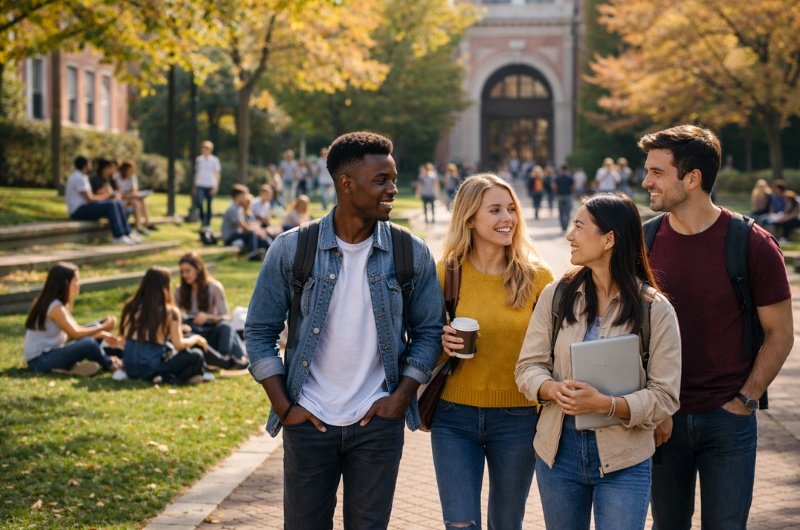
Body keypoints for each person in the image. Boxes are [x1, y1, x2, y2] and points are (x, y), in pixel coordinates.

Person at [244, 131, 444, 529]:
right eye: (381, 180)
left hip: (377, 424)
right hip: (308, 419)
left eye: (394, 178)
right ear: (346, 184)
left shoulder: (410, 252)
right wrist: (286, 407)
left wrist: (399, 399)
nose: (393, 189)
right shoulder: (292, 248)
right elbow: (259, 331)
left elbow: (429, 331)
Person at [639, 125, 793, 529]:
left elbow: (781, 333)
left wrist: (746, 399)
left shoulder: (753, 244)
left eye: (656, 172)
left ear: (692, 178)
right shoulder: (643, 243)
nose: (645, 181)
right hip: (663, 421)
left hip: (729, 421)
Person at [515, 193, 681, 530]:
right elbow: (527, 367)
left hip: (625, 457)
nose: (569, 236)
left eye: (578, 226)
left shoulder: (656, 309)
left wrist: (606, 404)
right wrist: (549, 388)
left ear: (609, 239)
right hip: (558, 454)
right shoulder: (557, 294)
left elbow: (665, 396)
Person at [435, 173, 553, 529]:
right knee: (460, 524)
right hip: (454, 417)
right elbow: (420, 342)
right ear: (470, 218)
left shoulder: (538, 277)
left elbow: (553, 352)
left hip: (518, 418)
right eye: (495, 210)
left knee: (507, 523)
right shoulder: (445, 273)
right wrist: (441, 343)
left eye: (511, 209)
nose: (508, 218)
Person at [24, 262, 124, 376]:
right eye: (75, 280)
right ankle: (111, 362)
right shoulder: (55, 307)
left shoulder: (56, 302)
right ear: (65, 283)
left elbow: (72, 335)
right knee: (89, 343)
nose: (79, 284)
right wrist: (103, 328)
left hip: (52, 354)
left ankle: (120, 354)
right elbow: (75, 333)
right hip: (41, 361)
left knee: (95, 327)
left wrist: (100, 329)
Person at [120, 267, 209, 385]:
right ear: (165, 287)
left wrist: (175, 329)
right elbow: (179, 345)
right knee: (196, 355)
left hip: (129, 367)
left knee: (167, 350)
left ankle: (165, 376)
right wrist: (197, 339)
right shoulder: (170, 311)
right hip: (149, 368)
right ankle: (167, 378)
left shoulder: (131, 306)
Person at [175, 252, 249, 370]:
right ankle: (229, 361)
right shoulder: (180, 290)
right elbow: (173, 317)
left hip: (212, 332)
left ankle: (222, 359)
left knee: (226, 327)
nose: (184, 275)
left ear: (198, 269)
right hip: (194, 332)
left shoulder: (214, 287)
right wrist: (182, 325)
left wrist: (208, 317)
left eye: (188, 271)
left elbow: (227, 317)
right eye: (182, 271)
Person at [65, 156, 139, 245]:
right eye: (89, 164)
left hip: (84, 208)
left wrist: (109, 196)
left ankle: (127, 233)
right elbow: (90, 198)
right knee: (111, 205)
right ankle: (118, 236)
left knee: (116, 203)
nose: (91, 166)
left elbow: (90, 198)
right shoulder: (78, 177)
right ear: (85, 166)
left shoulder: (81, 177)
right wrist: (108, 196)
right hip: (78, 211)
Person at [221, 184, 271, 259]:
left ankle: (268, 255)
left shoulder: (238, 208)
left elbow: (245, 225)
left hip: (237, 234)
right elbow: (243, 226)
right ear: (238, 196)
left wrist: (258, 231)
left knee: (260, 238)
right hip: (229, 237)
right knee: (252, 234)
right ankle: (252, 254)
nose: (246, 197)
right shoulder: (233, 209)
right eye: (244, 195)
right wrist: (257, 232)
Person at [115, 161, 156, 236]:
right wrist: (129, 194)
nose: (131, 172)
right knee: (136, 203)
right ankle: (138, 227)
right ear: (124, 170)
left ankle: (147, 223)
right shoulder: (117, 177)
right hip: (122, 200)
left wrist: (130, 194)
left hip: (130, 197)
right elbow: (119, 194)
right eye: (130, 170)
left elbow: (134, 190)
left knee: (143, 200)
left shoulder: (132, 177)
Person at [194, 140, 221, 230]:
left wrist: (216, 186)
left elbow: (217, 174)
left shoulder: (214, 160)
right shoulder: (199, 159)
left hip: (210, 185)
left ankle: (208, 224)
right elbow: (196, 172)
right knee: (200, 203)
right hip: (200, 184)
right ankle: (202, 221)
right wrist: (194, 185)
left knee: (209, 205)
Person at [554, 165, 575, 232]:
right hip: (568, 195)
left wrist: (556, 193)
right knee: (567, 212)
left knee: (561, 212)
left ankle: (562, 227)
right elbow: (573, 187)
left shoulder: (557, 178)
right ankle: (566, 226)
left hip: (560, 196)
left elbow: (554, 187)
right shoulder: (570, 177)